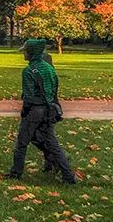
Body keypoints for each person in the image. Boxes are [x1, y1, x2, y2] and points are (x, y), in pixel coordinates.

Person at [5, 38, 76, 184]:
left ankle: (16, 173)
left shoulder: (28, 71)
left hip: (35, 110)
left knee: (22, 143)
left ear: (31, 53)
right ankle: (67, 175)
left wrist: (24, 112)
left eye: (25, 51)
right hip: (49, 109)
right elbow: (54, 89)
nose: (24, 53)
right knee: (51, 143)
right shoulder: (49, 68)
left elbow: (29, 97)